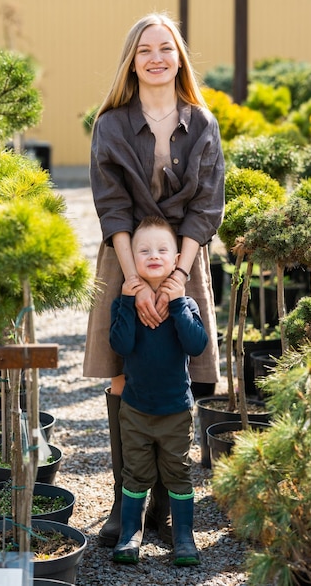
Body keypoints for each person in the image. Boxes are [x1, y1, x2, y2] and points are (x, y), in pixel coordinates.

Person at [83, 11, 225, 548]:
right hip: (123, 261)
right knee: (124, 371)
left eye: (166, 48)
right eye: (145, 49)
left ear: (179, 58)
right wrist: (134, 282)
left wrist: (175, 280)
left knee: (185, 370)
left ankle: (166, 507)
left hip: (182, 262)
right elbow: (112, 206)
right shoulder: (112, 124)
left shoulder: (203, 124)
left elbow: (206, 208)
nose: (157, 57)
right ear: (132, 60)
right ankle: (127, 506)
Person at [110, 216, 207, 565]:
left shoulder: (187, 304)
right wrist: (126, 300)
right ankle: (130, 534)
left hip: (175, 411)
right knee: (135, 473)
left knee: (178, 472)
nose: (154, 255)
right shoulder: (125, 305)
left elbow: (197, 346)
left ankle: (183, 537)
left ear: (178, 257)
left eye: (163, 249)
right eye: (144, 250)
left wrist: (179, 304)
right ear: (131, 258)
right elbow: (120, 345)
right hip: (135, 410)